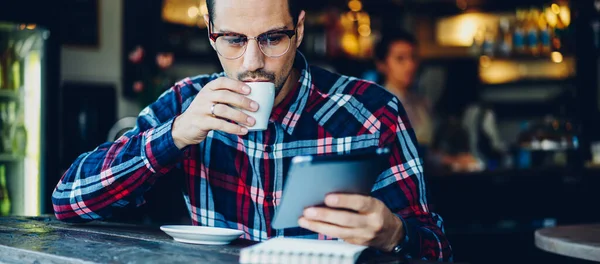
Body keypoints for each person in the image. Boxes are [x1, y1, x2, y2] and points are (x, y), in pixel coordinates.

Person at [52, 0, 452, 260]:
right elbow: (68, 200)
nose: (252, 61)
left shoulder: (372, 112)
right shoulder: (185, 104)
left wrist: (396, 234)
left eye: (272, 38)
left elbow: (439, 250)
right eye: (233, 39)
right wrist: (174, 135)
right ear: (211, 31)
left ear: (298, 28)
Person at [374, 30, 433, 148]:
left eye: (413, 57)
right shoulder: (377, 107)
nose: (410, 65)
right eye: (400, 59)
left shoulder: (421, 102)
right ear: (382, 64)